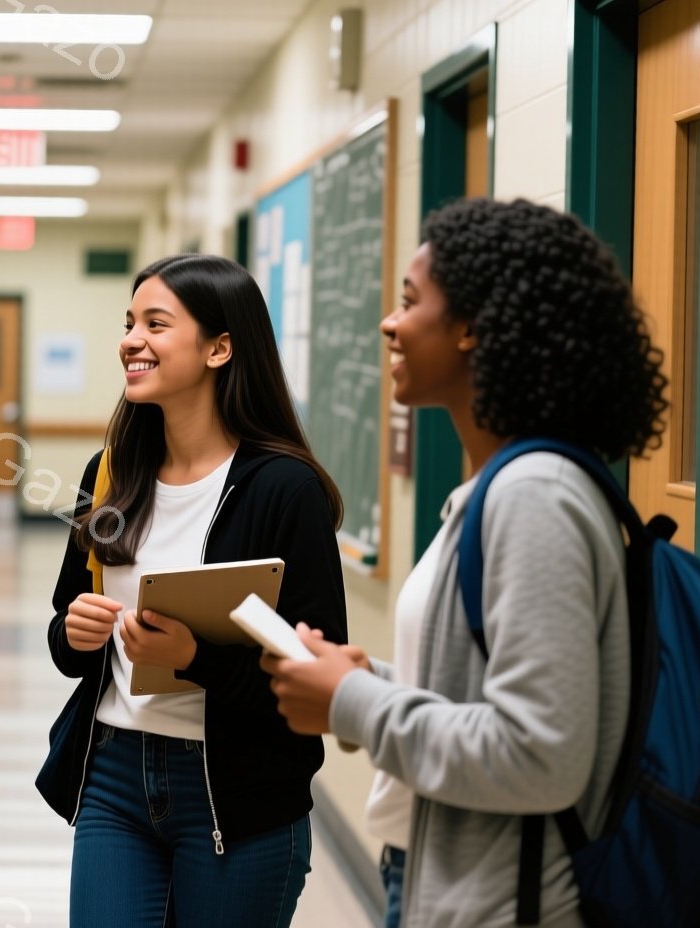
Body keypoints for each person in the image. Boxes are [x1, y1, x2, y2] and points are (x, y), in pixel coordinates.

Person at [262, 197, 669, 928]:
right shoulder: (497, 489)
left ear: (474, 329)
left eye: (412, 302)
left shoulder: (534, 497)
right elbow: (482, 698)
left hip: (511, 906)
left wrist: (349, 702)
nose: (390, 323)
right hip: (444, 879)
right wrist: (361, 680)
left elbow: (540, 751)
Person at [35, 253, 349, 927]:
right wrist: (74, 631)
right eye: (128, 323)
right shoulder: (111, 472)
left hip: (238, 791)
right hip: (114, 774)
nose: (130, 340)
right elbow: (66, 633)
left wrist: (196, 658)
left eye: (155, 323)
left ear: (220, 347)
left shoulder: (283, 490)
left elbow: (319, 670)